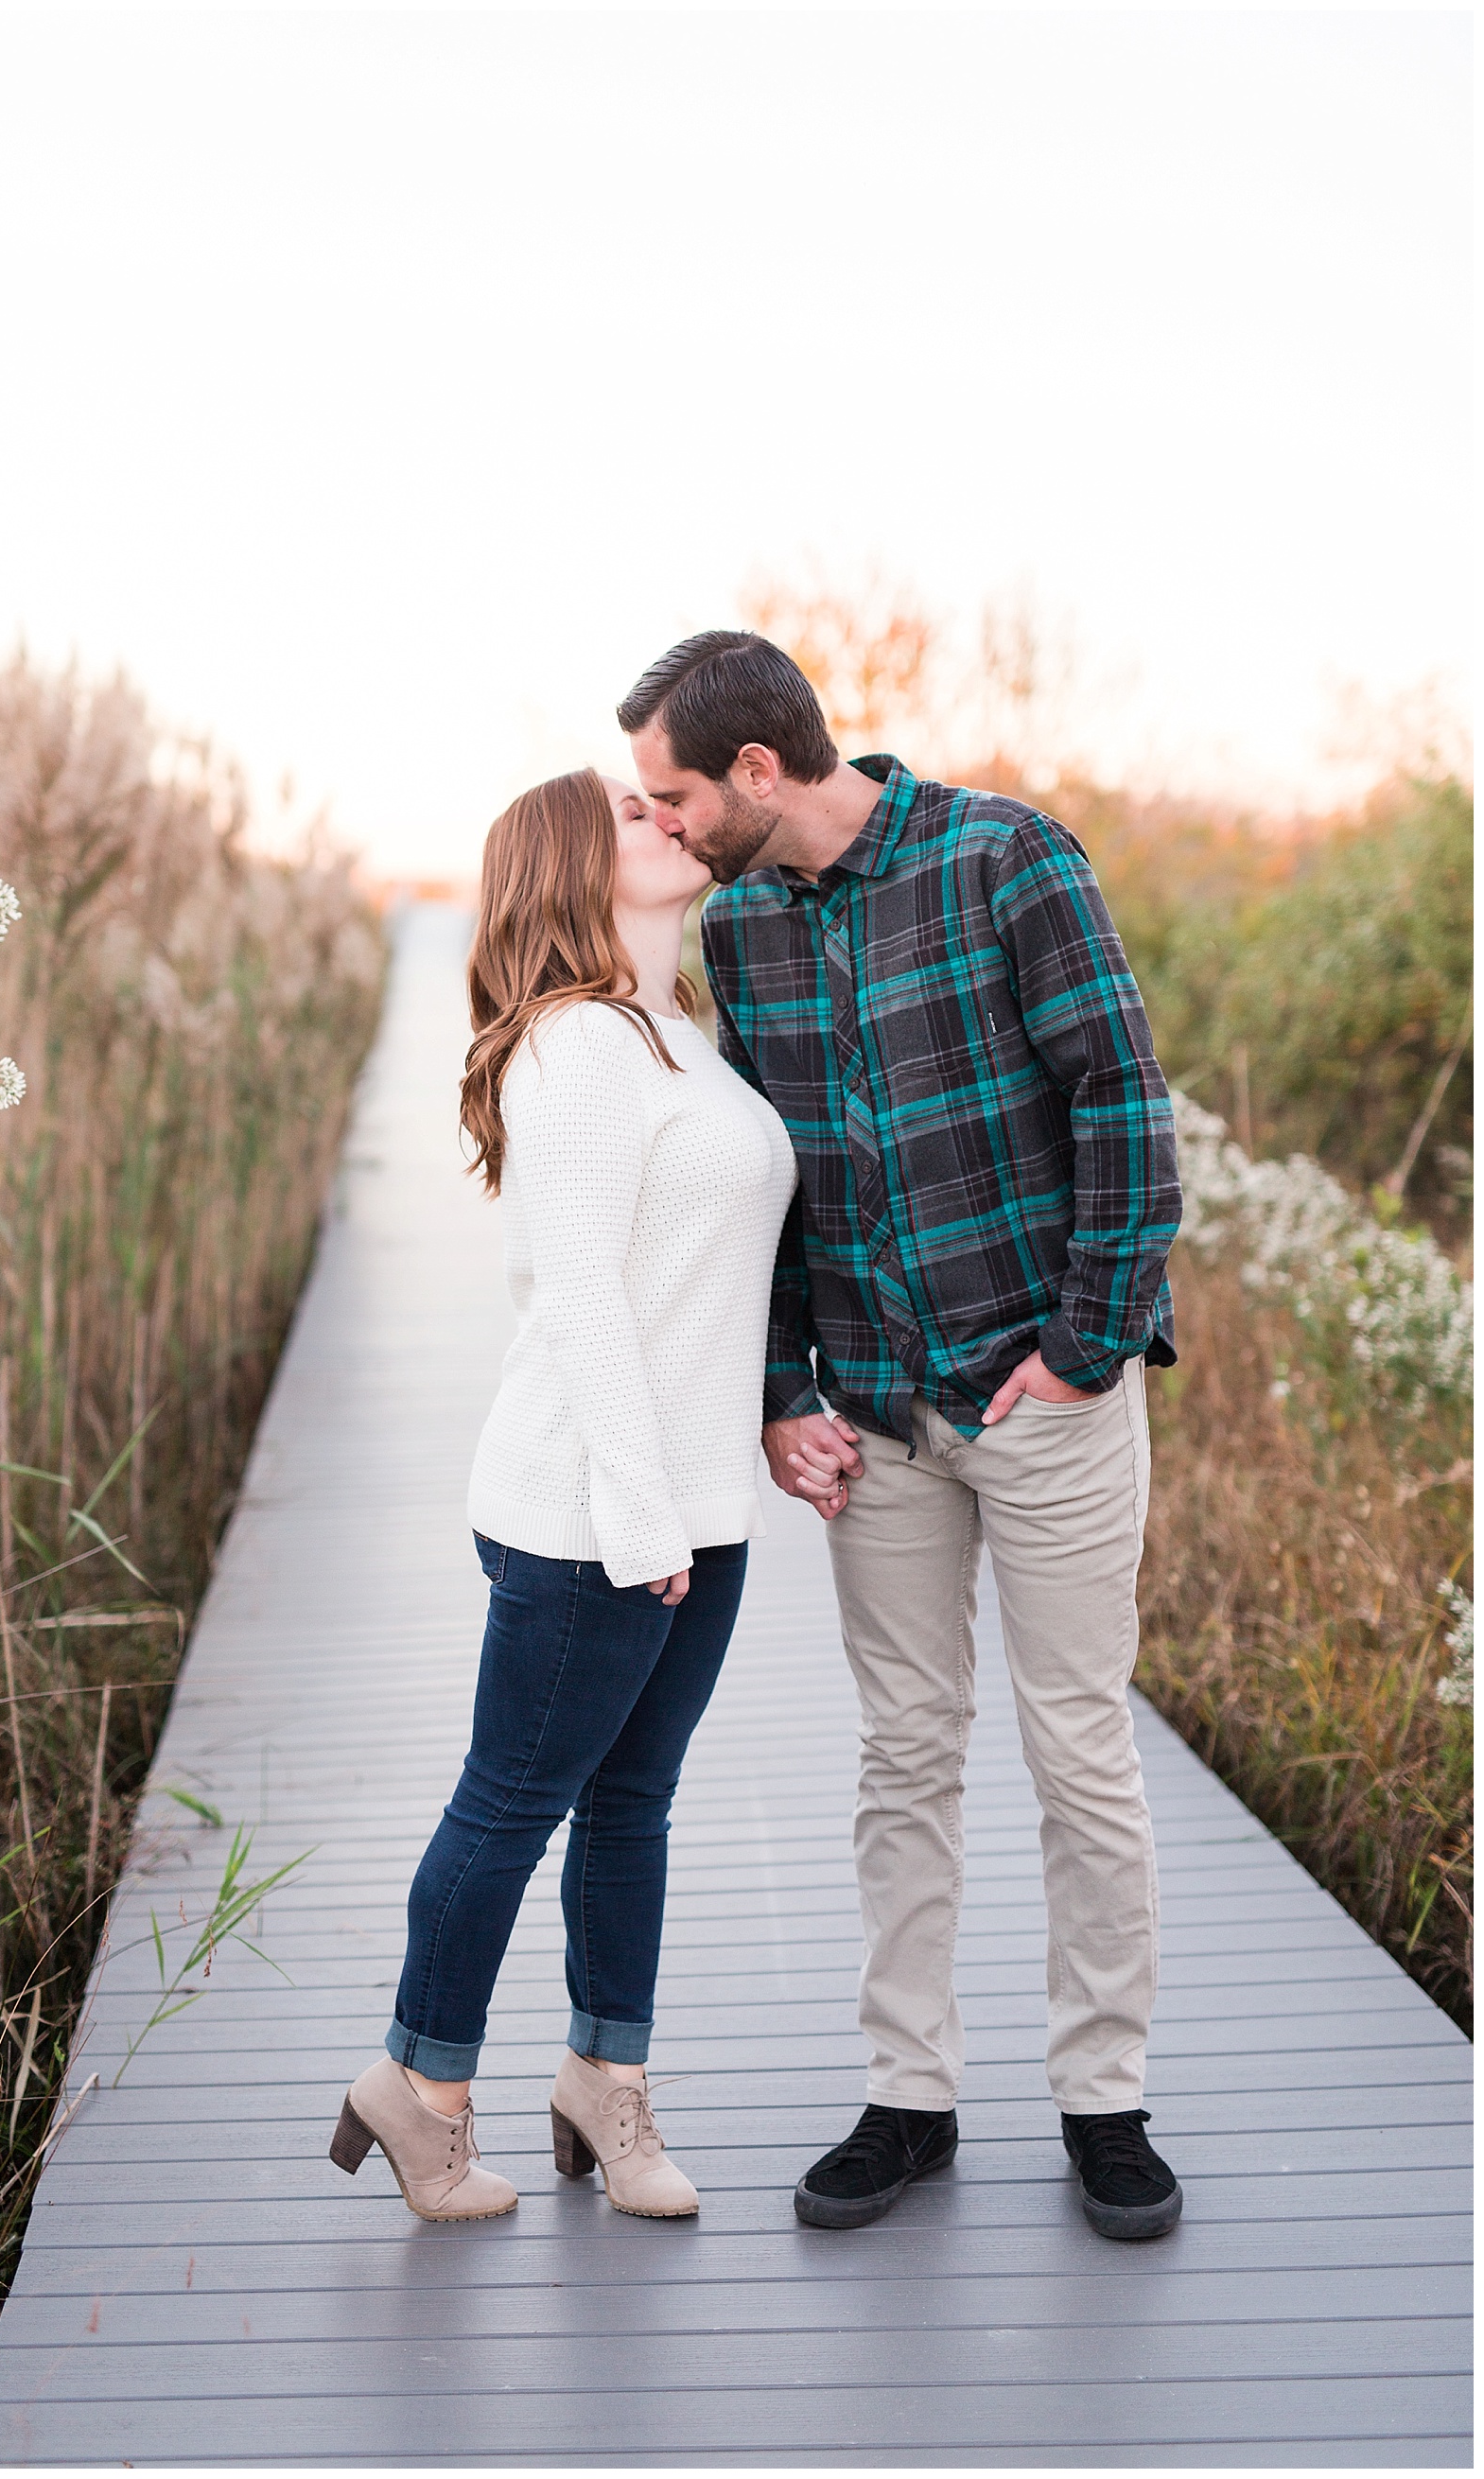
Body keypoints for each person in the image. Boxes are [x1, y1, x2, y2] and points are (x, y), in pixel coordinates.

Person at [618, 632, 1186, 2243]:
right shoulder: (746, 928)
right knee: (904, 1753)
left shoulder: (1008, 858)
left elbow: (1125, 1110)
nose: (658, 824)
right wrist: (785, 1384)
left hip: (1046, 1396)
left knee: (1076, 1746)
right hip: (877, 1412)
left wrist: (1082, 1350)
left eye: (670, 794)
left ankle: (1105, 2101)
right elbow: (771, 1179)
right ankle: (911, 2095)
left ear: (753, 772)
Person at [330, 765, 796, 2222]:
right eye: (634, 812)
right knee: (513, 1804)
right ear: (572, 869)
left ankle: (605, 2080)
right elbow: (587, 1297)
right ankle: (420, 2088)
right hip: (589, 1509)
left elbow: (707, 1284)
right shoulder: (576, 1047)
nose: (670, 815)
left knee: (633, 1804)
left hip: (696, 1500)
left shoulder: (678, 1035)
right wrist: (642, 1514)